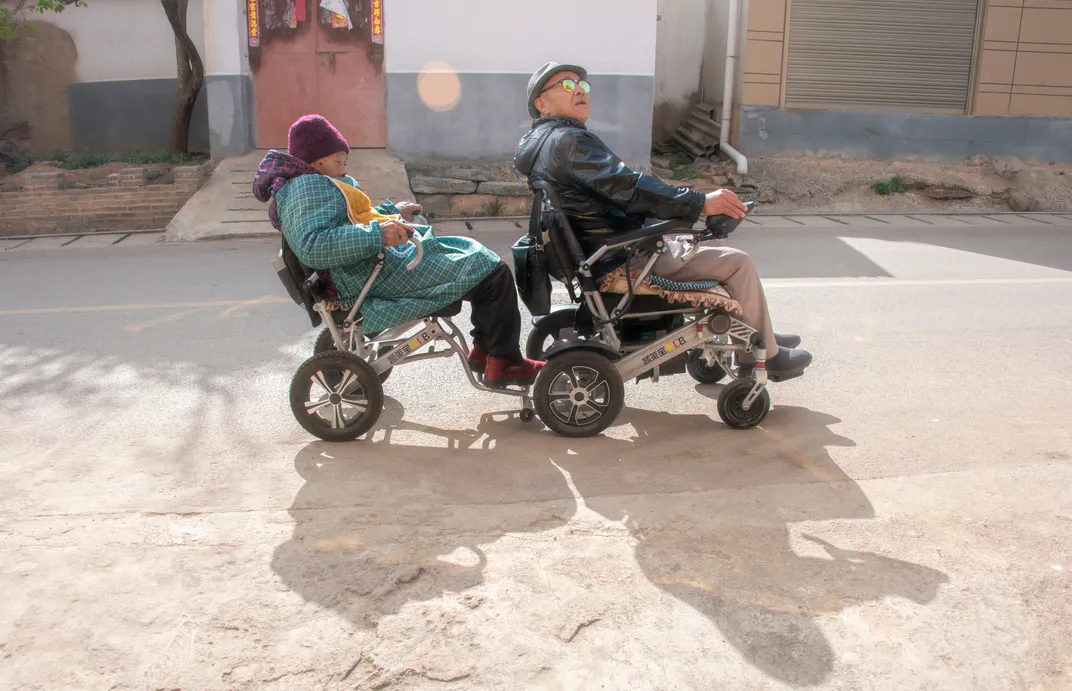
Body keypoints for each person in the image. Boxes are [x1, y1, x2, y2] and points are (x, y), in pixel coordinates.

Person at [513, 62, 812, 380]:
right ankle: (763, 356)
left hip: (603, 251)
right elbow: (629, 187)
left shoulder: (540, 145)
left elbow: (618, 191)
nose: (579, 91)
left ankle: (760, 331)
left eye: (582, 85)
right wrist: (700, 202)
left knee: (712, 241)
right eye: (567, 85)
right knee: (737, 263)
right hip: (624, 259)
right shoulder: (569, 141)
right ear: (541, 104)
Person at [254, 114, 544, 386]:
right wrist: (378, 234)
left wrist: (392, 213)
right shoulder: (308, 188)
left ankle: (486, 351)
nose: (345, 168)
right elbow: (313, 246)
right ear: (317, 161)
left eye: (345, 161)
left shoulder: (312, 184)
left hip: (366, 269)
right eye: (339, 161)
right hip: (364, 277)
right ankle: (504, 362)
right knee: (491, 271)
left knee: (472, 256)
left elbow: (355, 219)